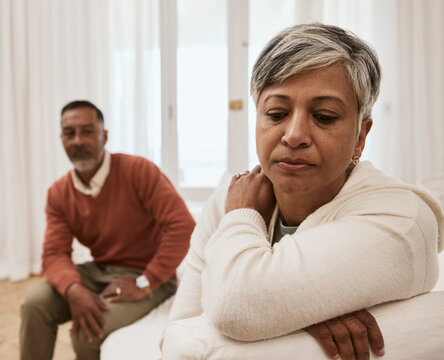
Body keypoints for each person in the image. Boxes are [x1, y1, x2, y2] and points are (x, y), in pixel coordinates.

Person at [163, 23, 443, 360]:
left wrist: (280, 314)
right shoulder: (231, 198)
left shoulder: (400, 218)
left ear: (360, 136)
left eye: (324, 117)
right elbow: (177, 337)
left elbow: (233, 306)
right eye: (276, 114)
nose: (294, 135)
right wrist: (294, 316)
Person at [20, 100, 196, 360]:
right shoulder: (59, 193)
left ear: (105, 135)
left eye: (87, 131)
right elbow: (54, 254)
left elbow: (182, 227)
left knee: (87, 333)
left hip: (150, 277)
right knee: (34, 305)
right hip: (101, 270)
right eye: (69, 133)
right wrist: (73, 289)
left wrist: (144, 282)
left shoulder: (138, 171)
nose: (78, 140)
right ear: (61, 139)